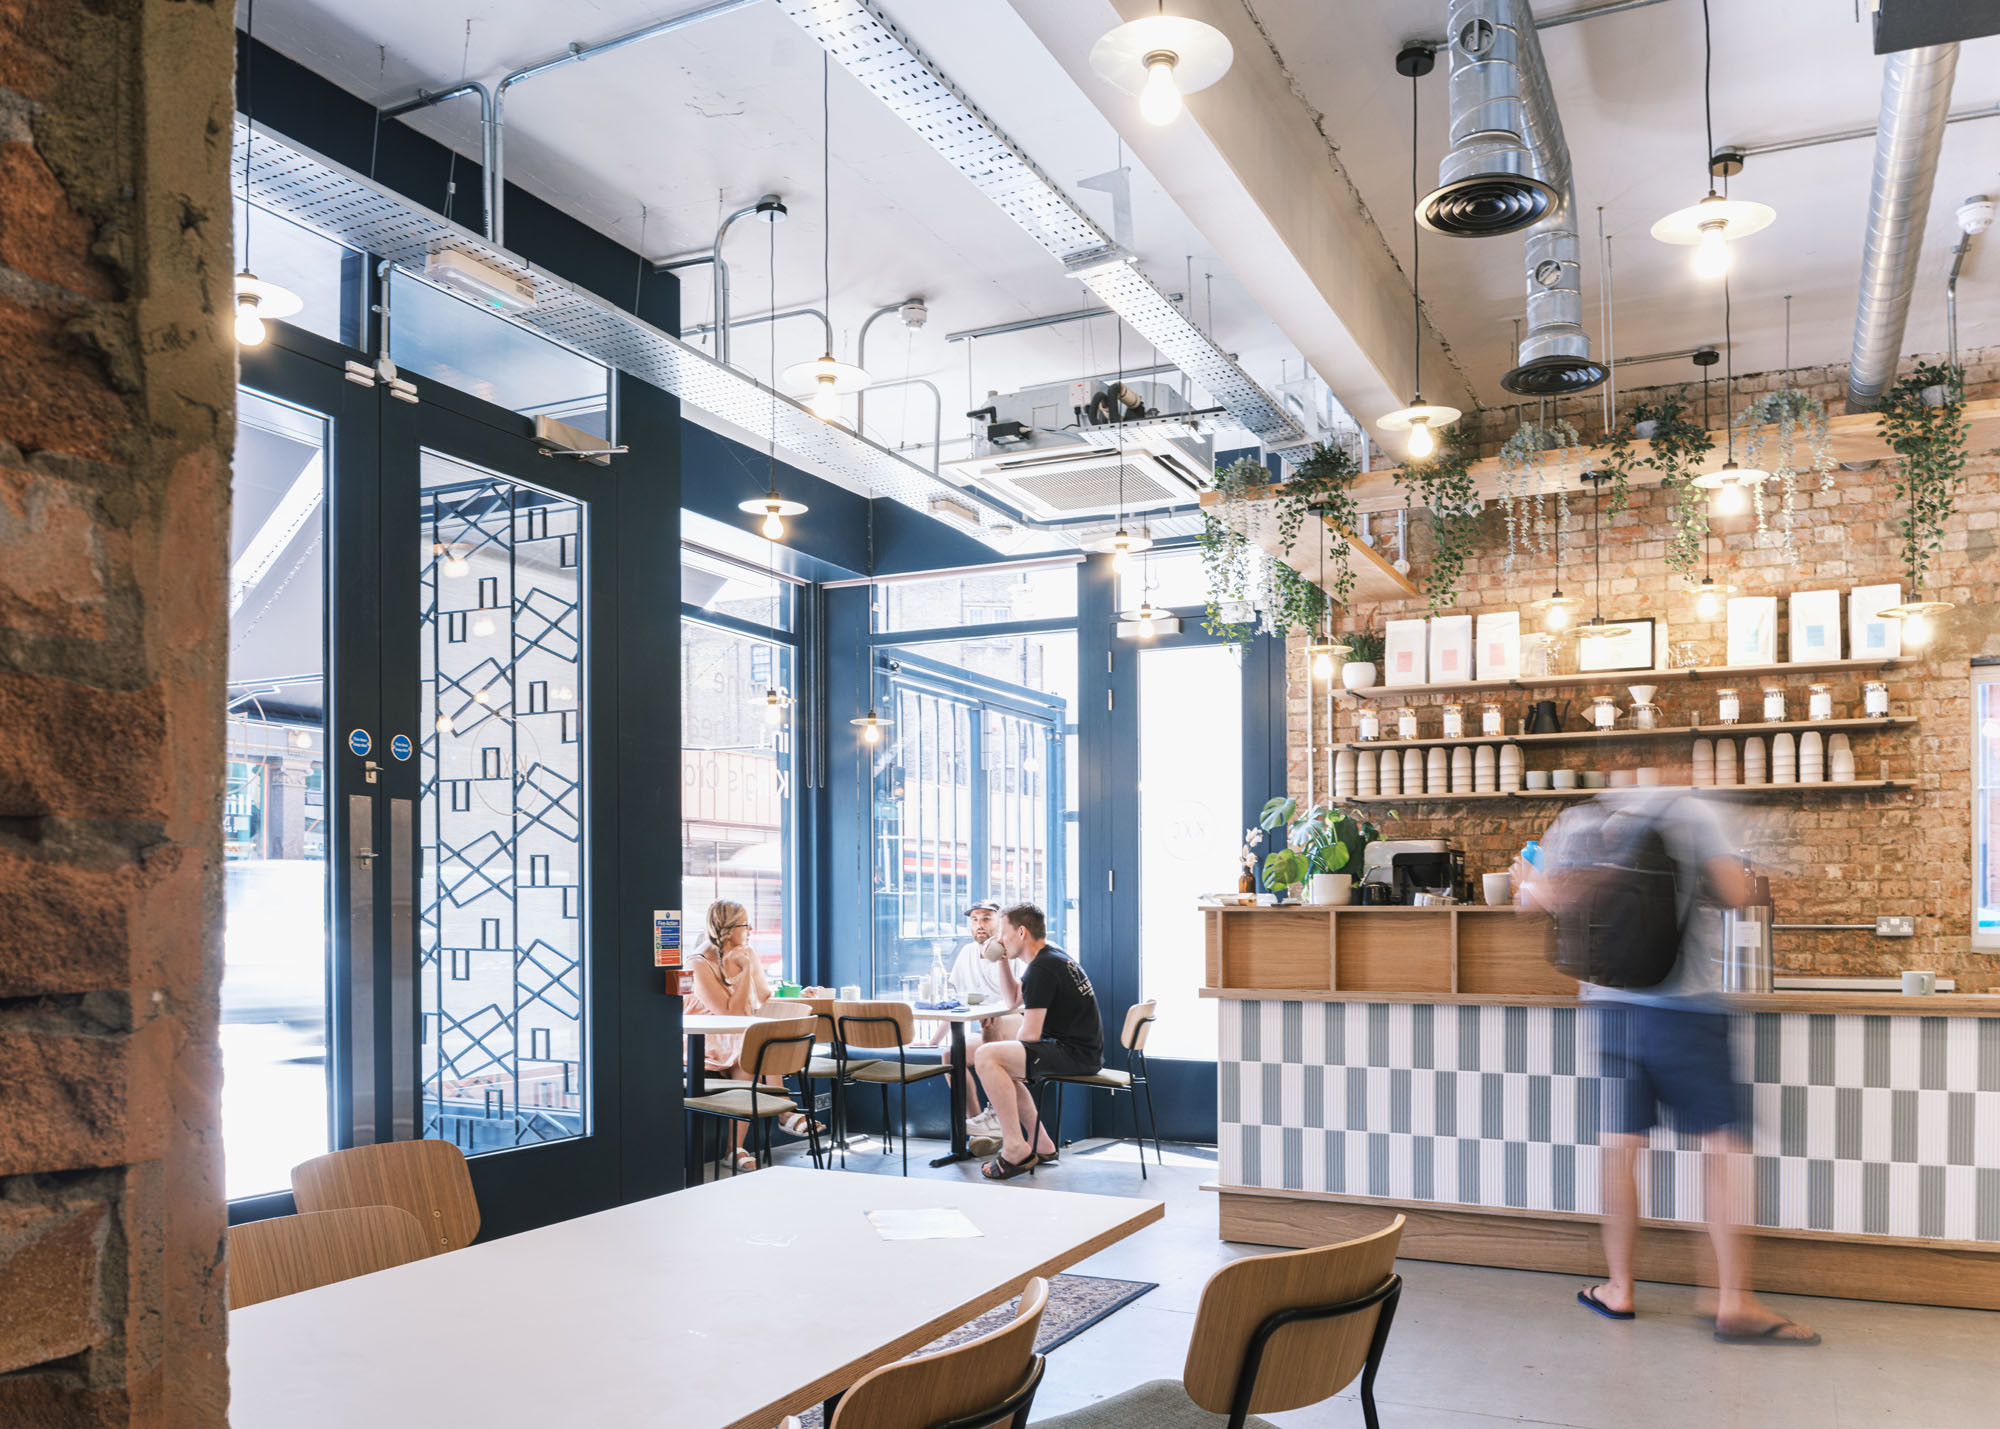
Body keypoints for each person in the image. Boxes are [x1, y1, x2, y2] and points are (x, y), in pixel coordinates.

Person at [1519, 791, 1819, 1347]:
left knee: (1621, 1145)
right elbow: (1737, 894)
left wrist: (1528, 876)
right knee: (1720, 1146)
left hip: (1609, 1006)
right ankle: (1731, 1300)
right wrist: (1763, 881)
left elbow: (1535, 900)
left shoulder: (1581, 818)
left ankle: (1619, 1288)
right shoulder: (1691, 811)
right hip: (1685, 1009)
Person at [971, 903, 1102, 1180]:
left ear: (1021, 932)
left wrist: (1006, 1050)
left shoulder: (1041, 969)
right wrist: (1003, 960)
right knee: (1000, 1063)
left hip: (1073, 1054)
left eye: (1003, 933)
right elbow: (1013, 1000)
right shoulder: (1051, 956)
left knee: (986, 1056)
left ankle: (1015, 1147)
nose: (999, 939)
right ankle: (1041, 1144)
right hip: (1084, 1051)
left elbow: (1029, 1037)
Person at [685, 900, 816, 1172]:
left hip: (736, 1032)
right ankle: (783, 1110)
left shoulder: (745, 953)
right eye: (745, 924)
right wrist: (744, 971)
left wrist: (798, 995)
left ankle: (736, 1148)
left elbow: (764, 995)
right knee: (751, 1047)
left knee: (752, 1048)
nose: (750, 930)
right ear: (728, 929)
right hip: (706, 1034)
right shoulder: (699, 962)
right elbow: (728, 1012)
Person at [938, 900, 1023, 1142]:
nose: (979, 925)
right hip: (987, 1026)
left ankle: (995, 1118)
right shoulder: (966, 954)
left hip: (1016, 1023)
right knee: (950, 1055)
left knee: (990, 1027)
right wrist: (932, 1040)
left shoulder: (1013, 953)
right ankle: (980, 1129)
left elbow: (1021, 1001)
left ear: (1000, 922)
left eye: (986, 918)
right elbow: (957, 1004)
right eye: (974, 919)